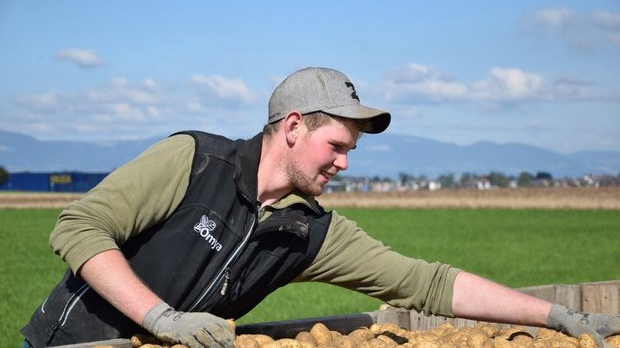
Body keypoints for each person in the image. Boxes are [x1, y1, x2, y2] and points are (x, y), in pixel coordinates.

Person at [22, 67, 619, 348]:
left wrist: (553, 316)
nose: (344, 163)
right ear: (290, 128)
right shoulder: (193, 161)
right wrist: (160, 319)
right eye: (335, 146)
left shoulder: (309, 231)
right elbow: (79, 226)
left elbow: (426, 284)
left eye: (350, 150)